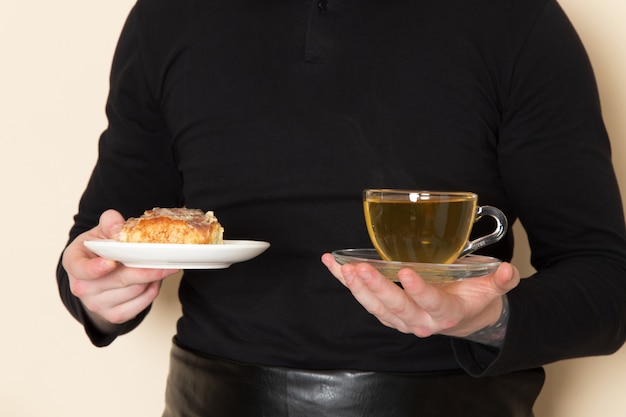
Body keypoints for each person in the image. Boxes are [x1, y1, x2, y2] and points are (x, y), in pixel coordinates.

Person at [57, 0, 626, 415]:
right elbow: (96, 242)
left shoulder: (517, 20)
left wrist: (489, 320)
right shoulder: (167, 18)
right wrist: (100, 290)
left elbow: (607, 285)